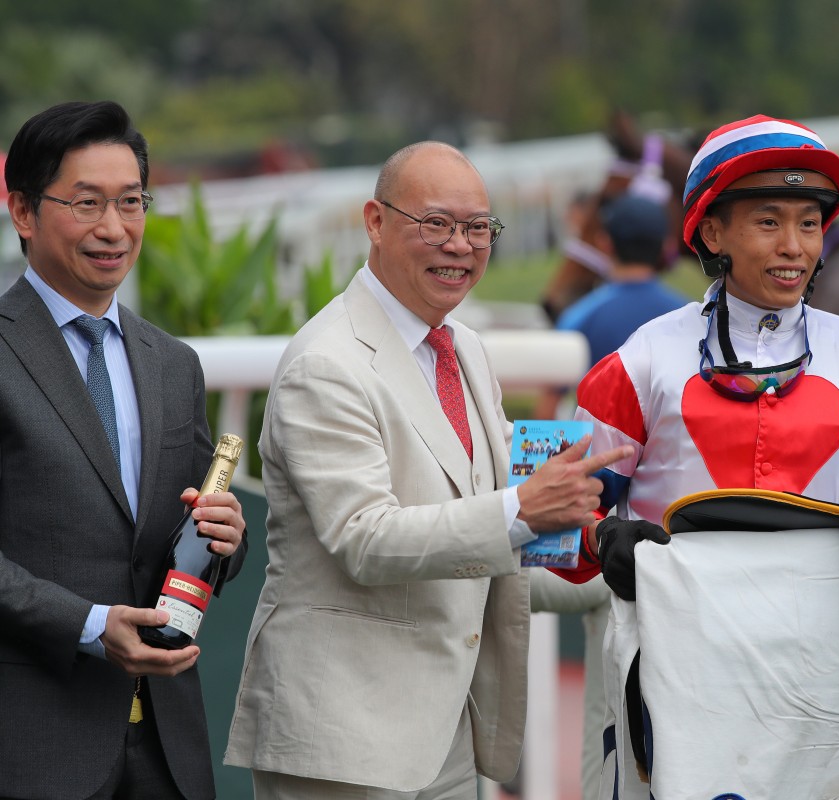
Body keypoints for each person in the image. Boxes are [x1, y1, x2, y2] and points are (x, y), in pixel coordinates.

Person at [554, 115, 839, 798]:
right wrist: (603, 538)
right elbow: (554, 534)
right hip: (682, 703)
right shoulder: (639, 366)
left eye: (809, 225)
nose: (794, 247)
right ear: (712, 232)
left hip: (833, 708)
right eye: (769, 222)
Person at [224, 141, 630, 799]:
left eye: (476, 229)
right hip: (343, 741)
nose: (461, 246)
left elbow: (486, 529)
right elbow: (367, 539)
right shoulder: (325, 365)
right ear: (376, 222)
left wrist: (591, 547)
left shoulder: (463, 346)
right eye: (436, 224)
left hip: (447, 733)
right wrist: (525, 509)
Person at [0, 100, 248, 800]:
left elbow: (194, 532)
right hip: (32, 748)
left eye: (131, 202)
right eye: (86, 204)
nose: (113, 228)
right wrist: (87, 624)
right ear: (23, 211)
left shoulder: (172, 362)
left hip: (168, 753)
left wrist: (230, 537)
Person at [535, 191, 688, 419]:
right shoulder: (689, 315)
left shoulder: (580, 316)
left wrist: (565, 453)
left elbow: (547, 409)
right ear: (667, 247)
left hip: (602, 451)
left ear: (604, 243)